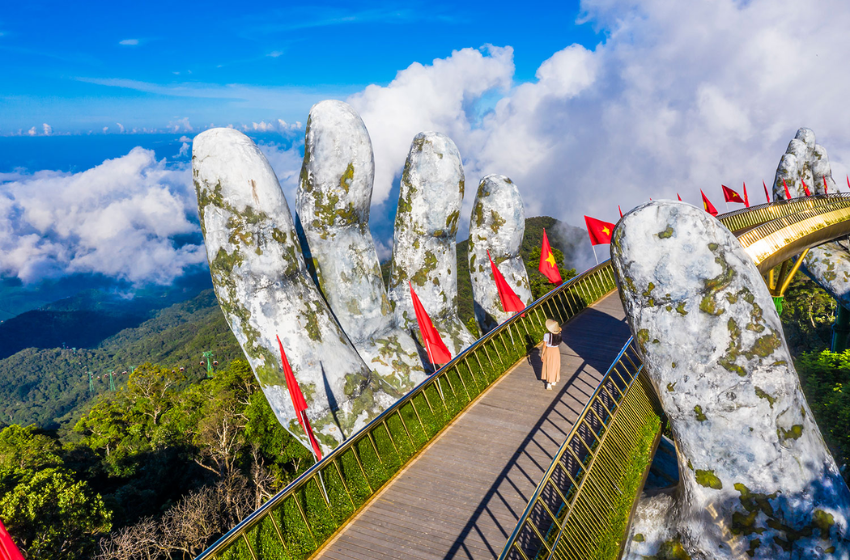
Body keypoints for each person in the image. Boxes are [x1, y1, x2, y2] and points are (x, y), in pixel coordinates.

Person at [542, 319, 562, 390]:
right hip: (556, 350)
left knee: (548, 366)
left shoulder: (546, 335)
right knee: (555, 365)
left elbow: (544, 345)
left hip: (549, 350)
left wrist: (542, 354)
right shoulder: (559, 334)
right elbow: (560, 329)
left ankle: (548, 383)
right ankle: (554, 380)